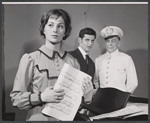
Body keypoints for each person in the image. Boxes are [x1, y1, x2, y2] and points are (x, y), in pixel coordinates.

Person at [10, 9, 93, 121]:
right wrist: (41, 97)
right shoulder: (30, 59)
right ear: (43, 29)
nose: (55, 30)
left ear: (65, 31)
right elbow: (16, 99)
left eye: (60, 26)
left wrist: (87, 98)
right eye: (50, 25)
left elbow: (74, 103)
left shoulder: (73, 62)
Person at [94, 26, 138, 93]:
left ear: (119, 43)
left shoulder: (126, 59)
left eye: (113, 41)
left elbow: (133, 82)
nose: (110, 44)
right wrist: (99, 93)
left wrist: (123, 97)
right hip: (102, 98)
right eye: (107, 41)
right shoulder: (99, 60)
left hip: (119, 99)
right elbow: (95, 80)